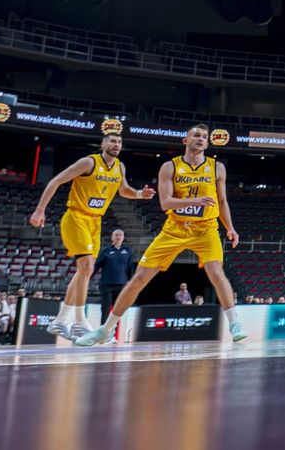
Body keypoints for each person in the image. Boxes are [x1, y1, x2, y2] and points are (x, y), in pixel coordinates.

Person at [75, 124, 246, 345]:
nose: (201, 139)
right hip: (174, 229)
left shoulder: (217, 168)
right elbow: (166, 203)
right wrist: (195, 201)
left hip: (205, 228)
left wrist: (230, 228)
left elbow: (222, 202)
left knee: (216, 271)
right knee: (139, 279)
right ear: (186, 140)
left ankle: (234, 323)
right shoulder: (169, 167)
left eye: (204, 136)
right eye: (196, 135)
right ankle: (106, 330)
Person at [27, 130, 155, 340]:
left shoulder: (119, 166)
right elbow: (56, 181)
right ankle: (79, 322)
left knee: (83, 272)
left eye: (119, 141)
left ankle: (60, 322)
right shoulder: (88, 163)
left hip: (95, 221)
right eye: (112, 141)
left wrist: (141, 194)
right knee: (86, 266)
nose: (116, 144)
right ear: (103, 144)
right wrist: (40, 210)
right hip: (76, 216)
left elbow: (124, 191)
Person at [96, 230, 133, 315]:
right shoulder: (105, 251)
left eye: (120, 235)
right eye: (116, 235)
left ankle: (115, 328)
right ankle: (104, 328)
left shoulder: (128, 251)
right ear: (112, 238)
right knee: (105, 310)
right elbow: (97, 266)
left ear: (123, 238)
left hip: (121, 285)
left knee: (117, 311)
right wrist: (87, 278)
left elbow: (130, 267)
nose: (118, 237)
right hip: (106, 284)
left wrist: (130, 282)